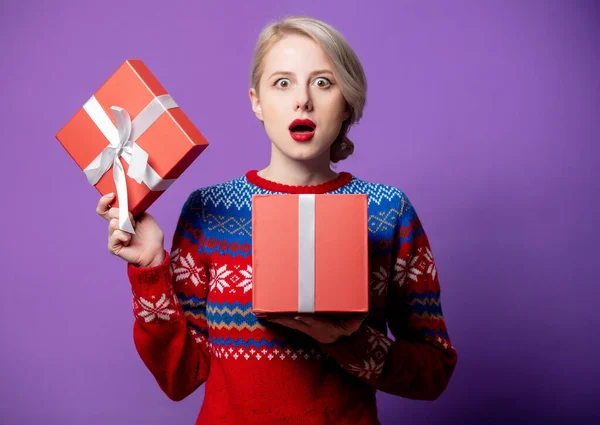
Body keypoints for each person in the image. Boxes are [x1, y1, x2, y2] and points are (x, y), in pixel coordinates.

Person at [96, 16, 457, 425]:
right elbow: (182, 377)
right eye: (282, 82)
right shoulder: (209, 210)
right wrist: (150, 269)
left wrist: (350, 341)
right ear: (256, 101)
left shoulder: (387, 211)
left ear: (347, 103)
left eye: (323, 82)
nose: (302, 99)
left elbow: (433, 372)